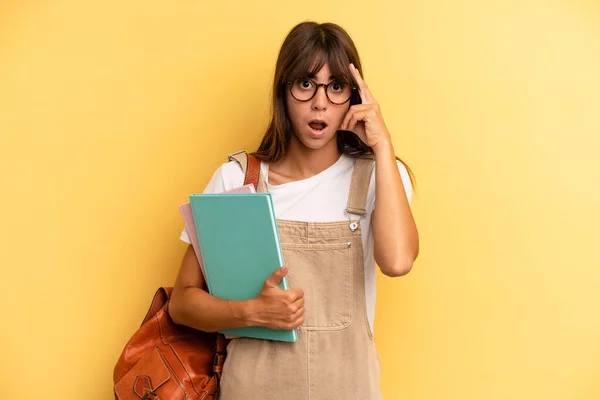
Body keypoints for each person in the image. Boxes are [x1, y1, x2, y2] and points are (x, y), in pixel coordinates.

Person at [169, 21, 419, 400]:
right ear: (283, 91)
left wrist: (383, 144)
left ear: (355, 97)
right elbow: (182, 303)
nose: (320, 102)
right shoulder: (239, 179)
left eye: (336, 87)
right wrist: (253, 312)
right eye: (306, 84)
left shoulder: (380, 177)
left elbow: (398, 261)